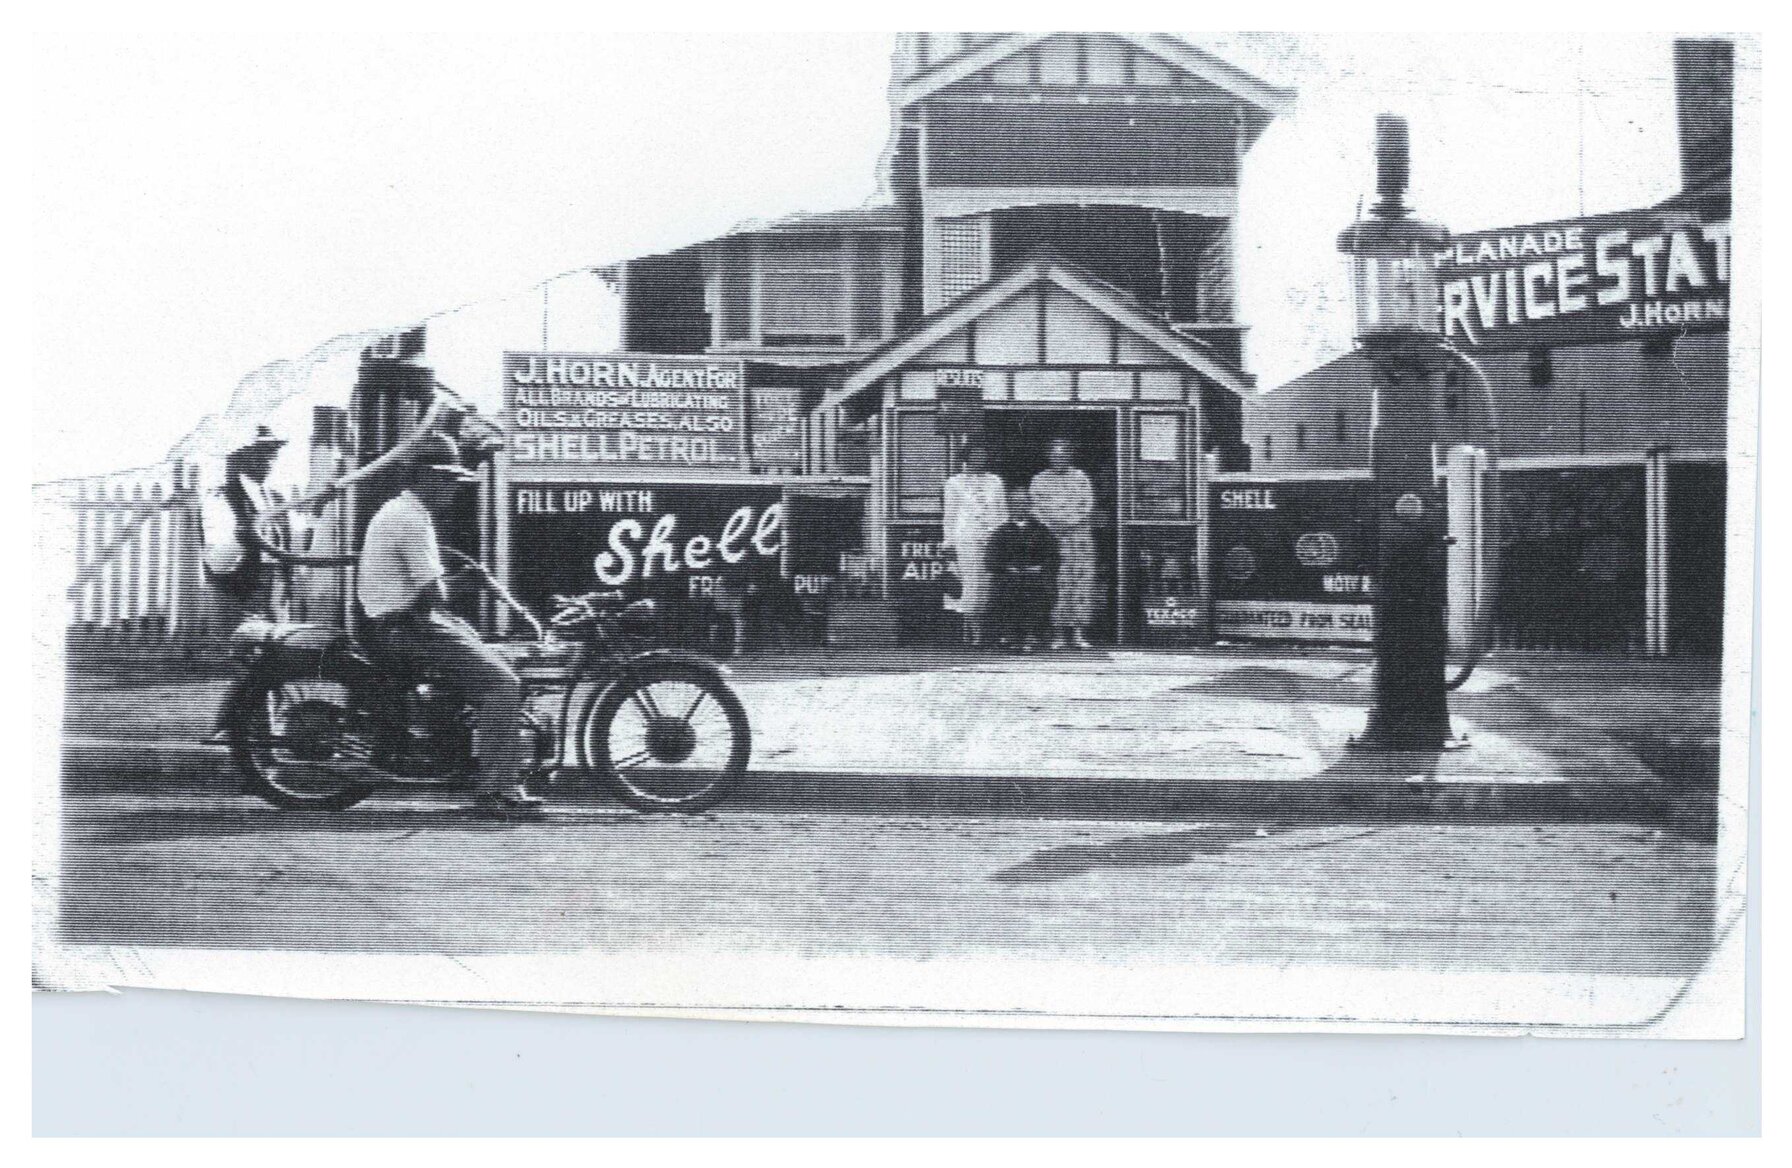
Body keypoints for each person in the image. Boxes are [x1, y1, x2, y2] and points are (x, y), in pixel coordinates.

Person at [357, 434, 543, 821]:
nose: (452, 486)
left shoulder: (404, 511)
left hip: (403, 622)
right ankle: (497, 789)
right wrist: (466, 584)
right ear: (420, 476)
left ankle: (464, 757)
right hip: (409, 627)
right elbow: (432, 594)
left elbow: (425, 585)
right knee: (502, 684)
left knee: (492, 656)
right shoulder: (410, 518)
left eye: (453, 478)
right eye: (444, 478)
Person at [200, 424, 291, 619]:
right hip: (238, 599)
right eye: (260, 452)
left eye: (272, 451)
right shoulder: (220, 499)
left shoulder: (277, 500)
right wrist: (243, 538)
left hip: (276, 601)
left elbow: (291, 551)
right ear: (240, 457)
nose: (269, 458)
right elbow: (217, 562)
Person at [1030, 438, 1098, 649]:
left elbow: (1087, 505)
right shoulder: (1039, 479)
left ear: (1070, 456)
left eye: (1063, 455)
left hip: (1078, 538)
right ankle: (1058, 634)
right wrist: (1052, 525)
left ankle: (1078, 633)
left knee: (1080, 585)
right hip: (1052, 538)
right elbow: (1035, 507)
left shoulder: (1081, 478)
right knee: (1057, 585)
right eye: (1055, 455)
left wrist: (1070, 523)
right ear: (1049, 456)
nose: (1059, 458)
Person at [940, 439, 1008, 647]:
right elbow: (950, 516)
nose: (979, 458)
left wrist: (1003, 536)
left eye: (982, 454)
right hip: (966, 539)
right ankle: (970, 631)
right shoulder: (954, 483)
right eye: (975, 454)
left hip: (991, 540)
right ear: (966, 457)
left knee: (987, 585)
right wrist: (949, 544)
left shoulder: (995, 481)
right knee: (970, 584)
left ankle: (984, 630)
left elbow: (1003, 512)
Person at [985, 485, 1060, 653]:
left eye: (1024, 503)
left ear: (1030, 505)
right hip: (1008, 578)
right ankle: (1010, 636)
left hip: (1035, 578)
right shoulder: (1001, 532)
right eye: (1015, 503)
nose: (1020, 507)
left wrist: (1039, 568)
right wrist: (1007, 567)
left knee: (1036, 592)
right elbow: (990, 560)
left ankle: (1030, 635)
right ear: (1010, 507)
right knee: (1006, 591)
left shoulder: (1042, 531)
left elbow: (1053, 558)